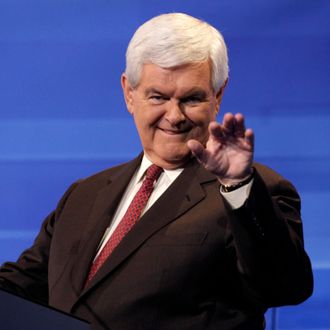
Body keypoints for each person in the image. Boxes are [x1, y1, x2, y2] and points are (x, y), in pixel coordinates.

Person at [0, 12, 313, 330]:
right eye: (158, 97)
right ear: (129, 93)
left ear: (217, 96)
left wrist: (237, 185)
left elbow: (284, 286)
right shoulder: (83, 195)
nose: (174, 116)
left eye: (191, 98)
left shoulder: (249, 191)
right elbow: (20, 286)